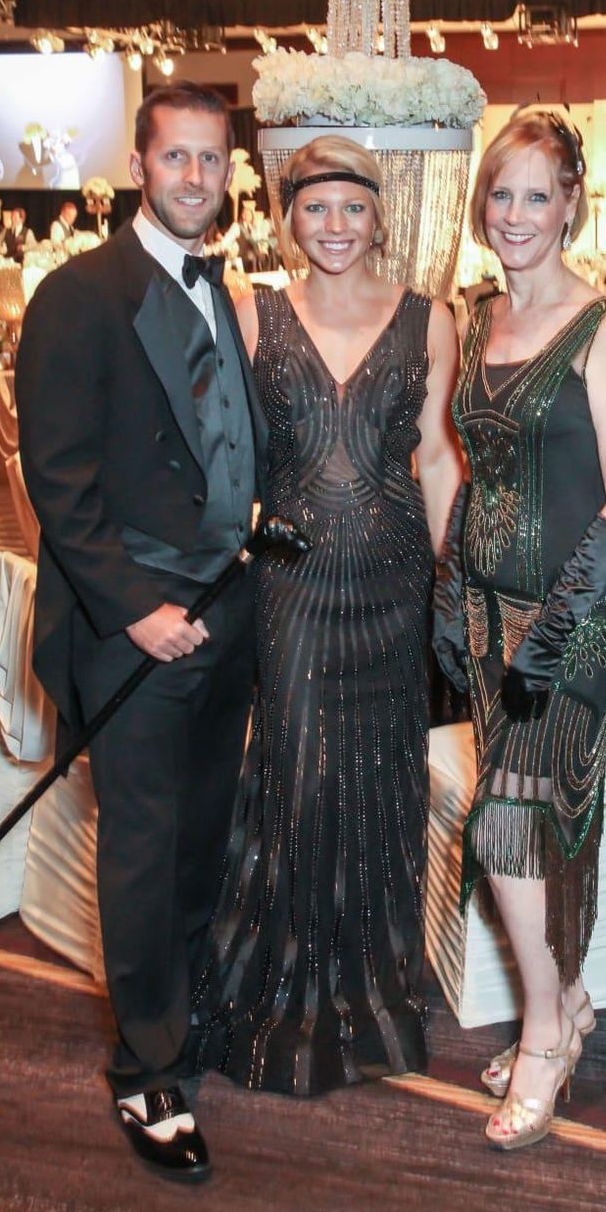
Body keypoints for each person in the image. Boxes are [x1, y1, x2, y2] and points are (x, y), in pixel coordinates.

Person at [16, 82, 267, 1182]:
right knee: (141, 847)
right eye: (178, 159)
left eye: (212, 161)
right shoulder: (79, 294)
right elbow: (58, 483)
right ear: (140, 163)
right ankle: (146, 1068)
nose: (196, 179)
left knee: (204, 834)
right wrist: (139, 611)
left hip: (223, 616)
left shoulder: (224, 292)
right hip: (137, 623)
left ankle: (184, 1014)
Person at [193, 135, 462, 1096]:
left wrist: (448, 582)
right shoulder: (252, 312)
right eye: (315, 208)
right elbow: (224, 458)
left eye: (352, 207)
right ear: (287, 216)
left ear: (378, 215)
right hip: (294, 584)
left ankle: (375, 993)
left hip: (395, 583)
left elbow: (434, 456)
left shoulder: (431, 319)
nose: (335, 226)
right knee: (300, 774)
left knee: (385, 780)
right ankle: (293, 991)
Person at [438, 110, 606, 1151]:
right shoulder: (476, 319)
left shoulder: (605, 329)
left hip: (576, 619)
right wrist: (452, 596)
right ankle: (566, 1002)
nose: (515, 215)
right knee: (542, 823)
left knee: (507, 822)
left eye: (536, 194)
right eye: (500, 194)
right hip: (482, 614)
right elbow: (470, 471)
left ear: (570, 202)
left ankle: (542, 1034)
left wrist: (545, 633)